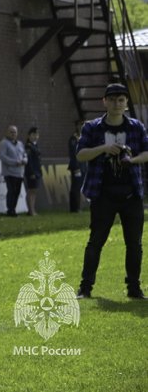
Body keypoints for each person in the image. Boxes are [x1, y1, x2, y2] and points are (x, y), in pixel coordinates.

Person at [75, 83, 148, 300]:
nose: (117, 104)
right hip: (102, 194)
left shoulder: (136, 127)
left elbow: (147, 152)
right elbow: (81, 155)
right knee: (95, 241)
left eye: (121, 100)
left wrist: (131, 160)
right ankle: (85, 288)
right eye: (113, 99)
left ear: (126, 104)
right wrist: (104, 149)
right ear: (104, 102)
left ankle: (134, 289)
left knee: (134, 244)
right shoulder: (92, 128)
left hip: (131, 194)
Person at [0, 125, 27, 217]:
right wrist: (14, 162)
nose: (13, 134)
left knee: (17, 192)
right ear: (7, 132)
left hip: (19, 172)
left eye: (15, 132)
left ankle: (13, 208)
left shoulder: (20, 144)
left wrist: (25, 160)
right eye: (11, 132)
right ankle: (10, 210)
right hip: (9, 172)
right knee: (11, 191)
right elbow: (2, 156)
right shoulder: (3, 143)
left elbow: (25, 154)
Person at [68, 119, 87, 213]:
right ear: (77, 126)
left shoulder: (84, 137)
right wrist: (76, 167)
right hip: (77, 167)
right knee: (76, 187)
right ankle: (75, 208)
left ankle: (78, 207)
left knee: (80, 187)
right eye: (80, 124)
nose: (82, 126)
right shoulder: (74, 138)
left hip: (84, 165)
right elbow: (73, 154)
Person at [23, 126, 42, 216]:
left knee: (34, 191)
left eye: (37, 134)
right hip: (32, 172)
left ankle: (32, 209)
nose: (35, 136)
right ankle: (31, 210)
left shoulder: (35, 145)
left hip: (37, 171)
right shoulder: (28, 146)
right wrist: (32, 173)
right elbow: (29, 161)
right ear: (29, 135)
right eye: (33, 134)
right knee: (31, 191)